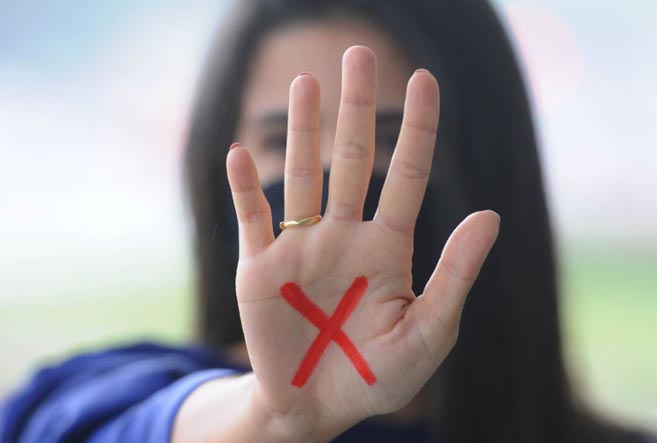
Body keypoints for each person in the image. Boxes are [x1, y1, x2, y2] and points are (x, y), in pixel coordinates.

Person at [0, 0, 653, 442]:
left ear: (488, 163)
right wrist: (269, 418)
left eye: (390, 138)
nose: (340, 179)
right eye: (284, 142)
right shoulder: (108, 394)